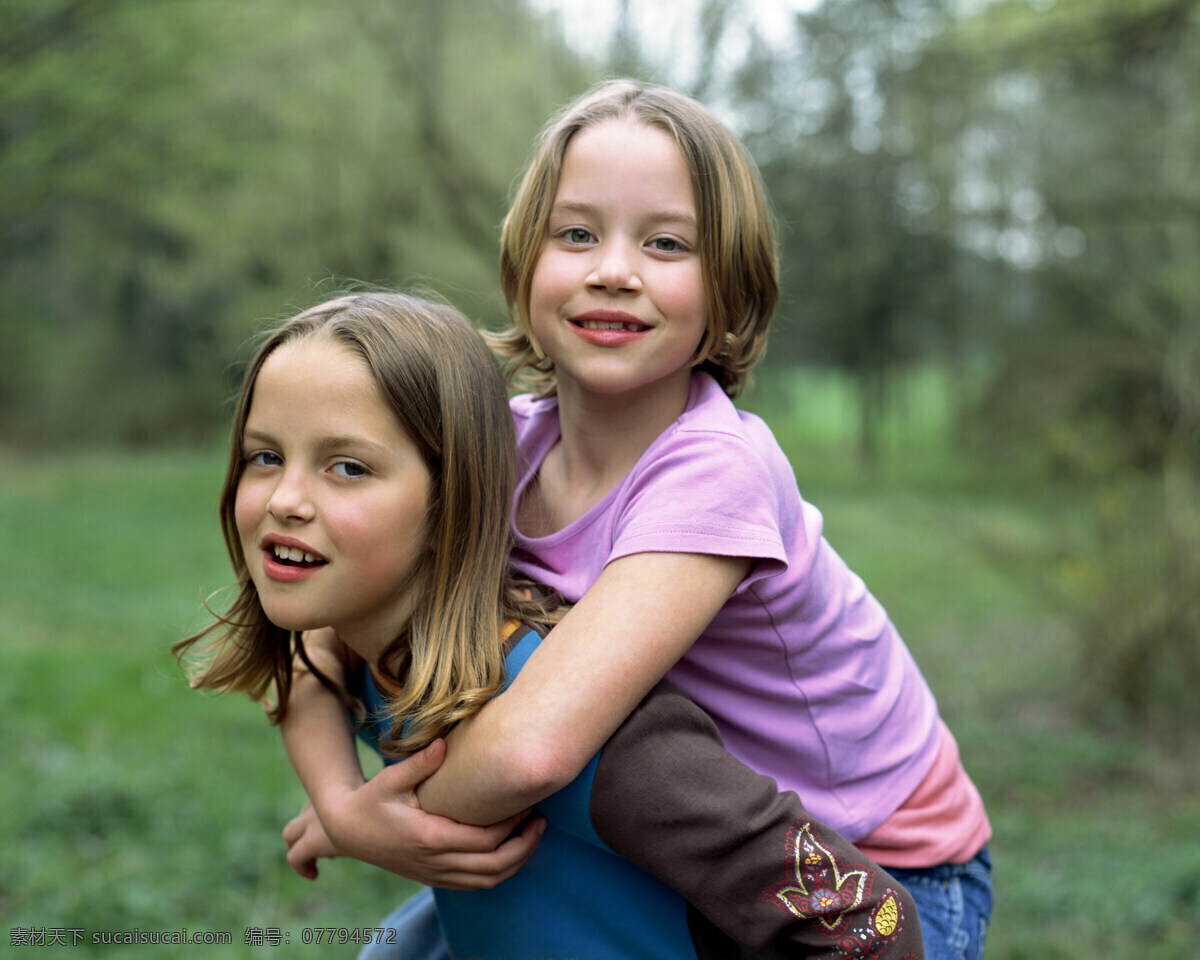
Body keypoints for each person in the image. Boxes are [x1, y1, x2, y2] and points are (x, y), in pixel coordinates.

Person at [291, 79, 995, 959]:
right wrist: (340, 802)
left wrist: (386, 825)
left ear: (728, 288)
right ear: (524, 263)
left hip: (867, 869)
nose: (613, 269)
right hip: (667, 836)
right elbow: (323, 628)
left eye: (666, 243)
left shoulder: (716, 469)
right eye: (576, 233)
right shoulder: (496, 447)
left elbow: (531, 754)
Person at [174, 292, 925, 959]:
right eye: (264, 457)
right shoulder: (359, 643)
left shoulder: (596, 738)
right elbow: (309, 663)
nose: (285, 500)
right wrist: (345, 810)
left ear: (452, 504)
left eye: (348, 468)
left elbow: (868, 921)